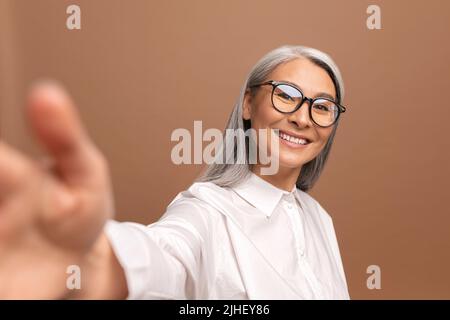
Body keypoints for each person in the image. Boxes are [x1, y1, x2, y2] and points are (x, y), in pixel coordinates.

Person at [0, 45, 349, 299]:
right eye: (286, 96)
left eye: (322, 106)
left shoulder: (319, 219)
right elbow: (164, 253)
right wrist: (93, 261)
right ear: (247, 104)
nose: (303, 118)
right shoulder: (205, 211)